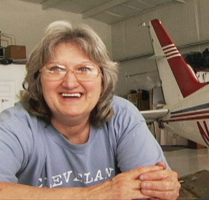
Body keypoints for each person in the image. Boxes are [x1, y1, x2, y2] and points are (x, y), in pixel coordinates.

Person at [0, 20, 180, 199]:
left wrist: (163, 187)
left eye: (84, 69)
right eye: (56, 69)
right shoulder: (13, 126)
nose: (70, 83)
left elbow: (153, 189)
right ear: (38, 80)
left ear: (103, 80)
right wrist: (92, 195)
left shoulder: (122, 115)